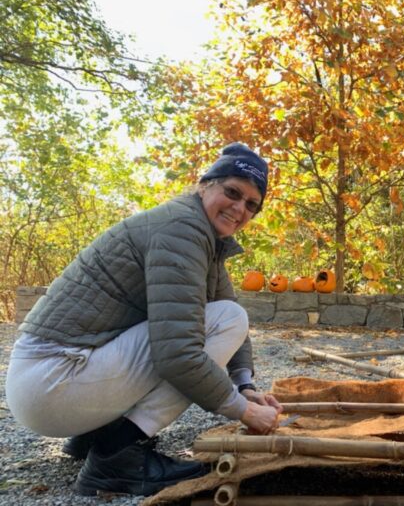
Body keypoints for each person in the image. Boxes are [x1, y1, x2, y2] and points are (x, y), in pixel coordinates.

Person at [5, 143, 283, 496]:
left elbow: (223, 304)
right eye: (232, 192)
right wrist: (244, 411)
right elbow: (180, 354)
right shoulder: (182, 231)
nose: (239, 208)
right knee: (225, 320)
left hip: (47, 382)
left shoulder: (197, 231)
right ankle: (115, 454)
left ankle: (98, 433)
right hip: (54, 383)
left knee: (226, 314)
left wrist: (246, 386)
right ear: (205, 185)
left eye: (251, 205)